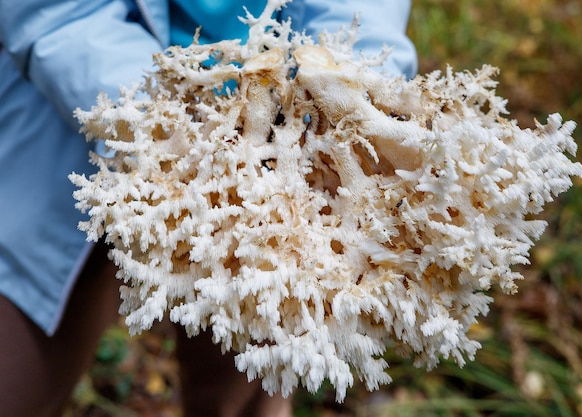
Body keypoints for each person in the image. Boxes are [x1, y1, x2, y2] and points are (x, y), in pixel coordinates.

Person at [0, 1, 417, 416]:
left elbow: (362, 13)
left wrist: (352, 95)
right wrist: (161, 127)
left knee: (246, 380)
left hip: (290, 164)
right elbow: (56, 16)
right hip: (68, 119)